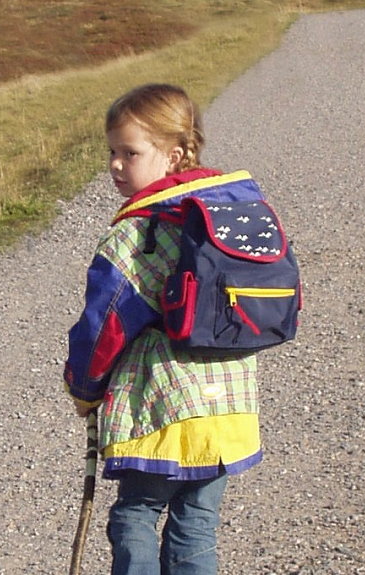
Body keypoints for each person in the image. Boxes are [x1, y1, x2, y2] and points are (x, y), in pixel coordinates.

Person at [63, 84, 265, 575]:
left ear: (174, 155)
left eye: (129, 152)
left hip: (162, 414)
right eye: (111, 151)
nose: (114, 164)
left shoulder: (141, 233)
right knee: (196, 526)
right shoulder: (228, 216)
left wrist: (84, 388)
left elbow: (103, 325)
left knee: (135, 515)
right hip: (229, 414)